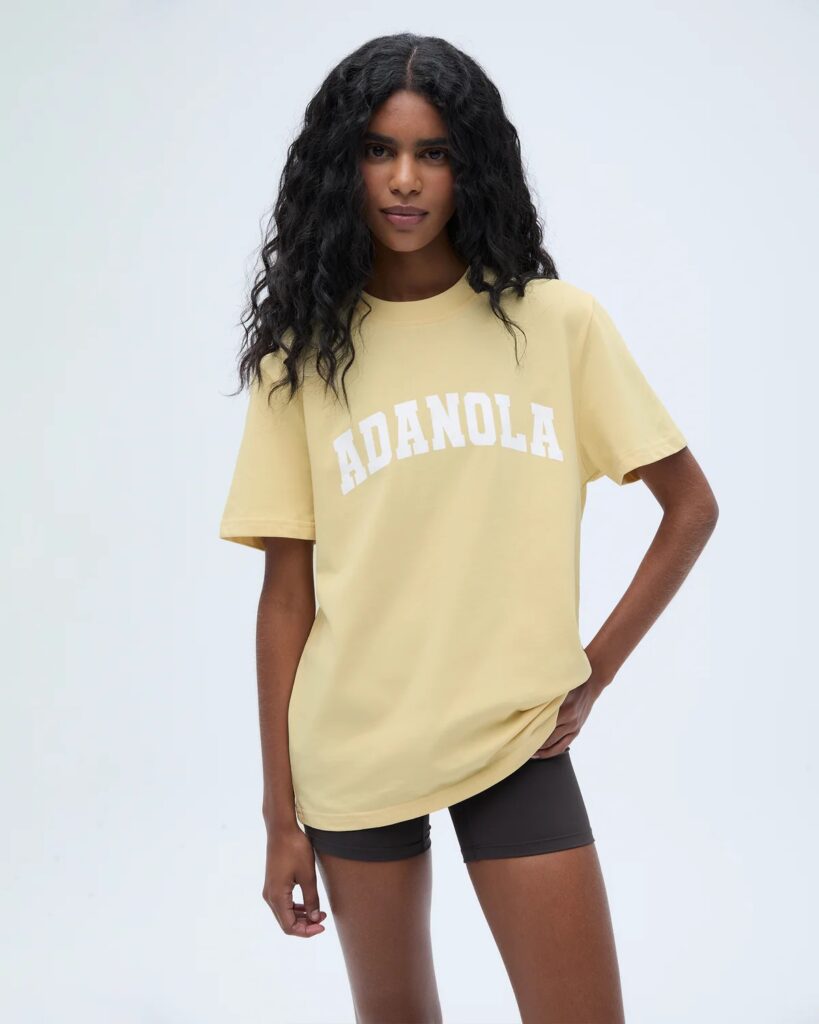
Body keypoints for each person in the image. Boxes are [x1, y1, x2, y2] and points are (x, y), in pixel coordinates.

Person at [217, 32, 718, 1024]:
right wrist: (280, 818)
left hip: (515, 740)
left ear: (470, 166)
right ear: (343, 165)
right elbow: (285, 598)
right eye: (378, 150)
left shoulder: (557, 325)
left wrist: (593, 672)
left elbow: (689, 508)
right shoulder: (302, 358)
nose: (404, 179)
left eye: (434, 152)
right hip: (353, 750)